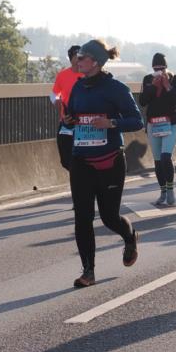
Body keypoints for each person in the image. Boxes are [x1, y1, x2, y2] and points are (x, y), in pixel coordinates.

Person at [63, 39, 144, 287]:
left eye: (82, 57)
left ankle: (129, 237)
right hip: (81, 160)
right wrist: (68, 120)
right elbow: (71, 116)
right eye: (77, 56)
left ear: (96, 62)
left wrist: (111, 123)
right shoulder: (78, 87)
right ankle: (88, 272)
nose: (77, 60)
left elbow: (137, 121)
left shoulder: (116, 89)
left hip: (109, 161)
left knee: (109, 217)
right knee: (82, 218)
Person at [139, 52, 176, 206]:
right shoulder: (147, 79)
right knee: (158, 160)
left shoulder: (175, 79)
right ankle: (163, 192)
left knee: (166, 157)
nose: (159, 71)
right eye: (156, 69)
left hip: (170, 123)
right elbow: (142, 101)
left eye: (161, 68)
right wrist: (152, 87)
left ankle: (171, 192)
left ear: (166, 67)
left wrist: (168, 86)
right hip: (153, 124)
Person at [52, 45, 83, 176]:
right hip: (67, 121)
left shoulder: (89, 75)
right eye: (77, 56)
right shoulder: (63, 75)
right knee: (66, 160)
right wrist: (57, 102)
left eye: (82, 56)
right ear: (71, 59)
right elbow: (54, 94)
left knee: (82, 159)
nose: (80, 59)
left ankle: (81, 181)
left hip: (85, 123)